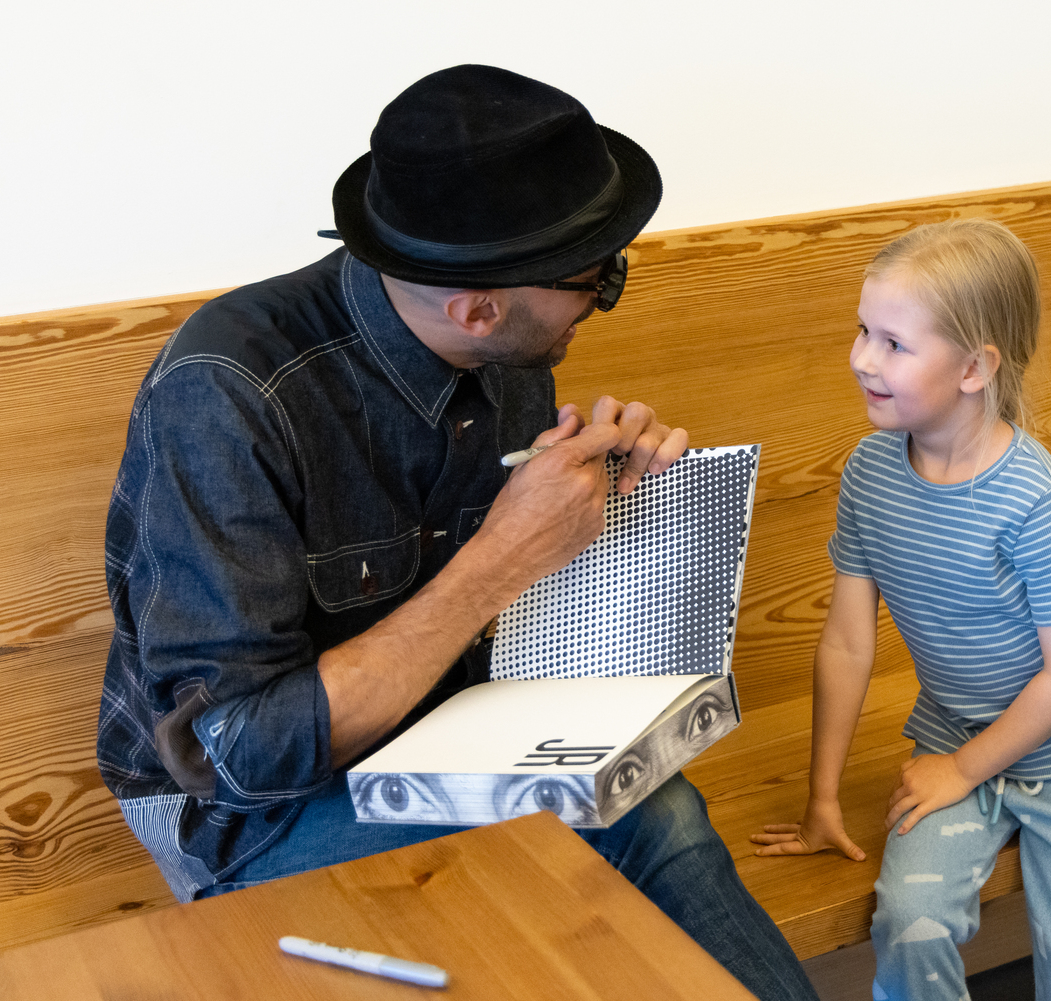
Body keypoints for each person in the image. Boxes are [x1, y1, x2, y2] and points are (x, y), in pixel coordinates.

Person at [97, 64, 818, 1001]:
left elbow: (507, 638)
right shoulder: (230, 394)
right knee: (642, 825)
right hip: (245, 818)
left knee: (645, 804)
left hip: (449, 738)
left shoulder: (503, 351)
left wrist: (614, 508)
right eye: (596, 280)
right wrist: (503, 554)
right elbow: (235, 757)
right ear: (476, 306)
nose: (604, 295)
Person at [751, 219, 1051, 1000]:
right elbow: (846, 641)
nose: (862, 357)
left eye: (894, 342)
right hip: (953, 742)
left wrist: (963, 770)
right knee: (908, 922)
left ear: (974, 367)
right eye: (863, 330)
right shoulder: (869, 473)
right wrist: (821, 797)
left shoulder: (1038, 500)